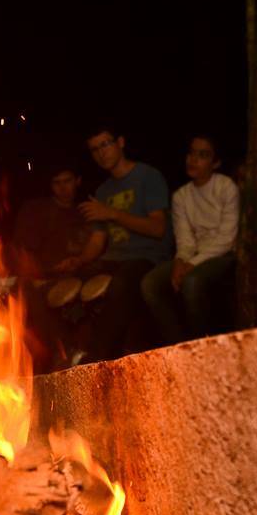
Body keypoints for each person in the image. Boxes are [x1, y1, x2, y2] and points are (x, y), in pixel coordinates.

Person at [77, 124, 172, 361]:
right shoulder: (102, 191)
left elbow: (158, 228)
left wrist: (112, 213)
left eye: (105, 144)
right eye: (94, 149)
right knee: (62, 286)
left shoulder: (148, 176)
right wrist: (77, 261)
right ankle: (65, 356)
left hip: (146, 258)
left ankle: (97, 359)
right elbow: (97, 241)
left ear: (120, 142)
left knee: (121, 284)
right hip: (113, 260)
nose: (101, 153)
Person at [141, 135, 239, 343]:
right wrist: (180, 261)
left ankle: (200, 344)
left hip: (224, 254)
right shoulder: (181, 196)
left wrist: (191, 265)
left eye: (202, 155)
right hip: (194, 255)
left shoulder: (226, 187)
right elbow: (185, 239)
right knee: (151, 283)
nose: (193, 159)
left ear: (216, 162)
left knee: (192, 282)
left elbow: (226, 238)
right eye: (191, 153)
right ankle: (177, 343)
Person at [12, 167, 97, 371]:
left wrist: (77, 262)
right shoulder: (38, 211)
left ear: (77, 180)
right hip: (44, 275)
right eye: (56, 183)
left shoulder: (85, 212)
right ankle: (56, 356)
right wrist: (40, 272)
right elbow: (23, 252)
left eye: (67, 181)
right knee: (29, 292)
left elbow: (95, 246)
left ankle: (82, 355)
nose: (62, 188)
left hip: (77, 273)